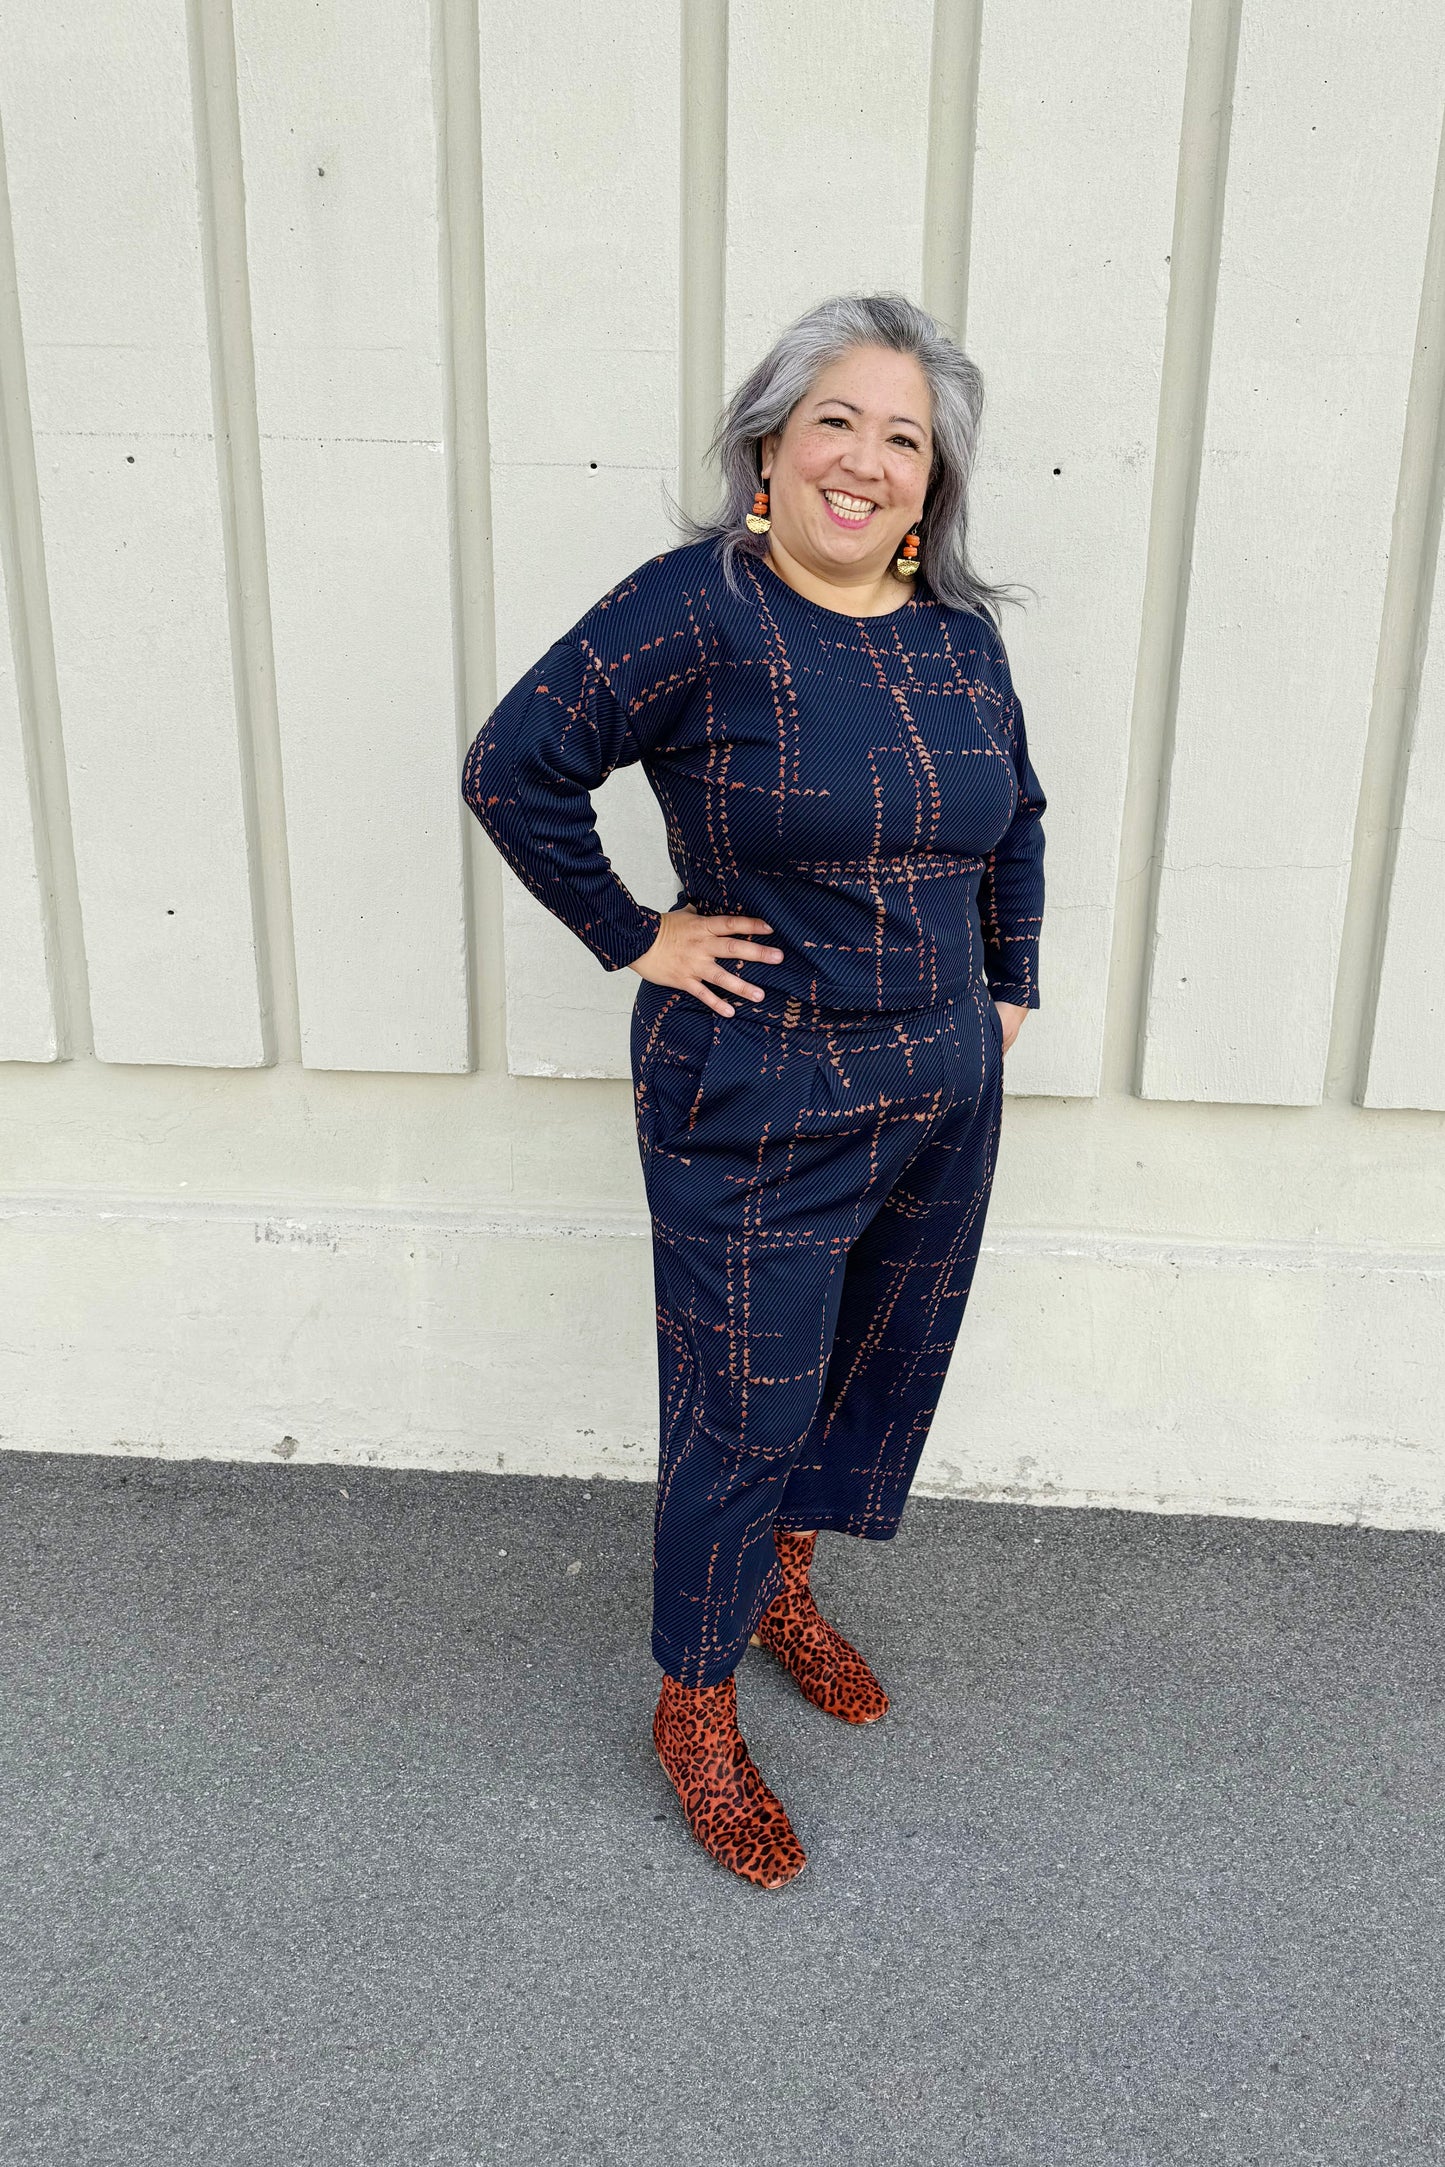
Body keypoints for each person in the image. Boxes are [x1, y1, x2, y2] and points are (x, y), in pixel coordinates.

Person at [461, 291, 1046, 1890]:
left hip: (938, 1087)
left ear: (933, 487)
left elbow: (1020, 818)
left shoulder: (956, 638)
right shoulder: (693, 612)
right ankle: (695, 1700)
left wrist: (1007, 985)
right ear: (767, 449)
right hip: (758, 1086)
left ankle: (783, 1585)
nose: (865, 462)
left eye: (903, 439)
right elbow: (513, 765)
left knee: (876, 1355)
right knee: (742, 1402)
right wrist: (632, 933)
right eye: (835, 424)